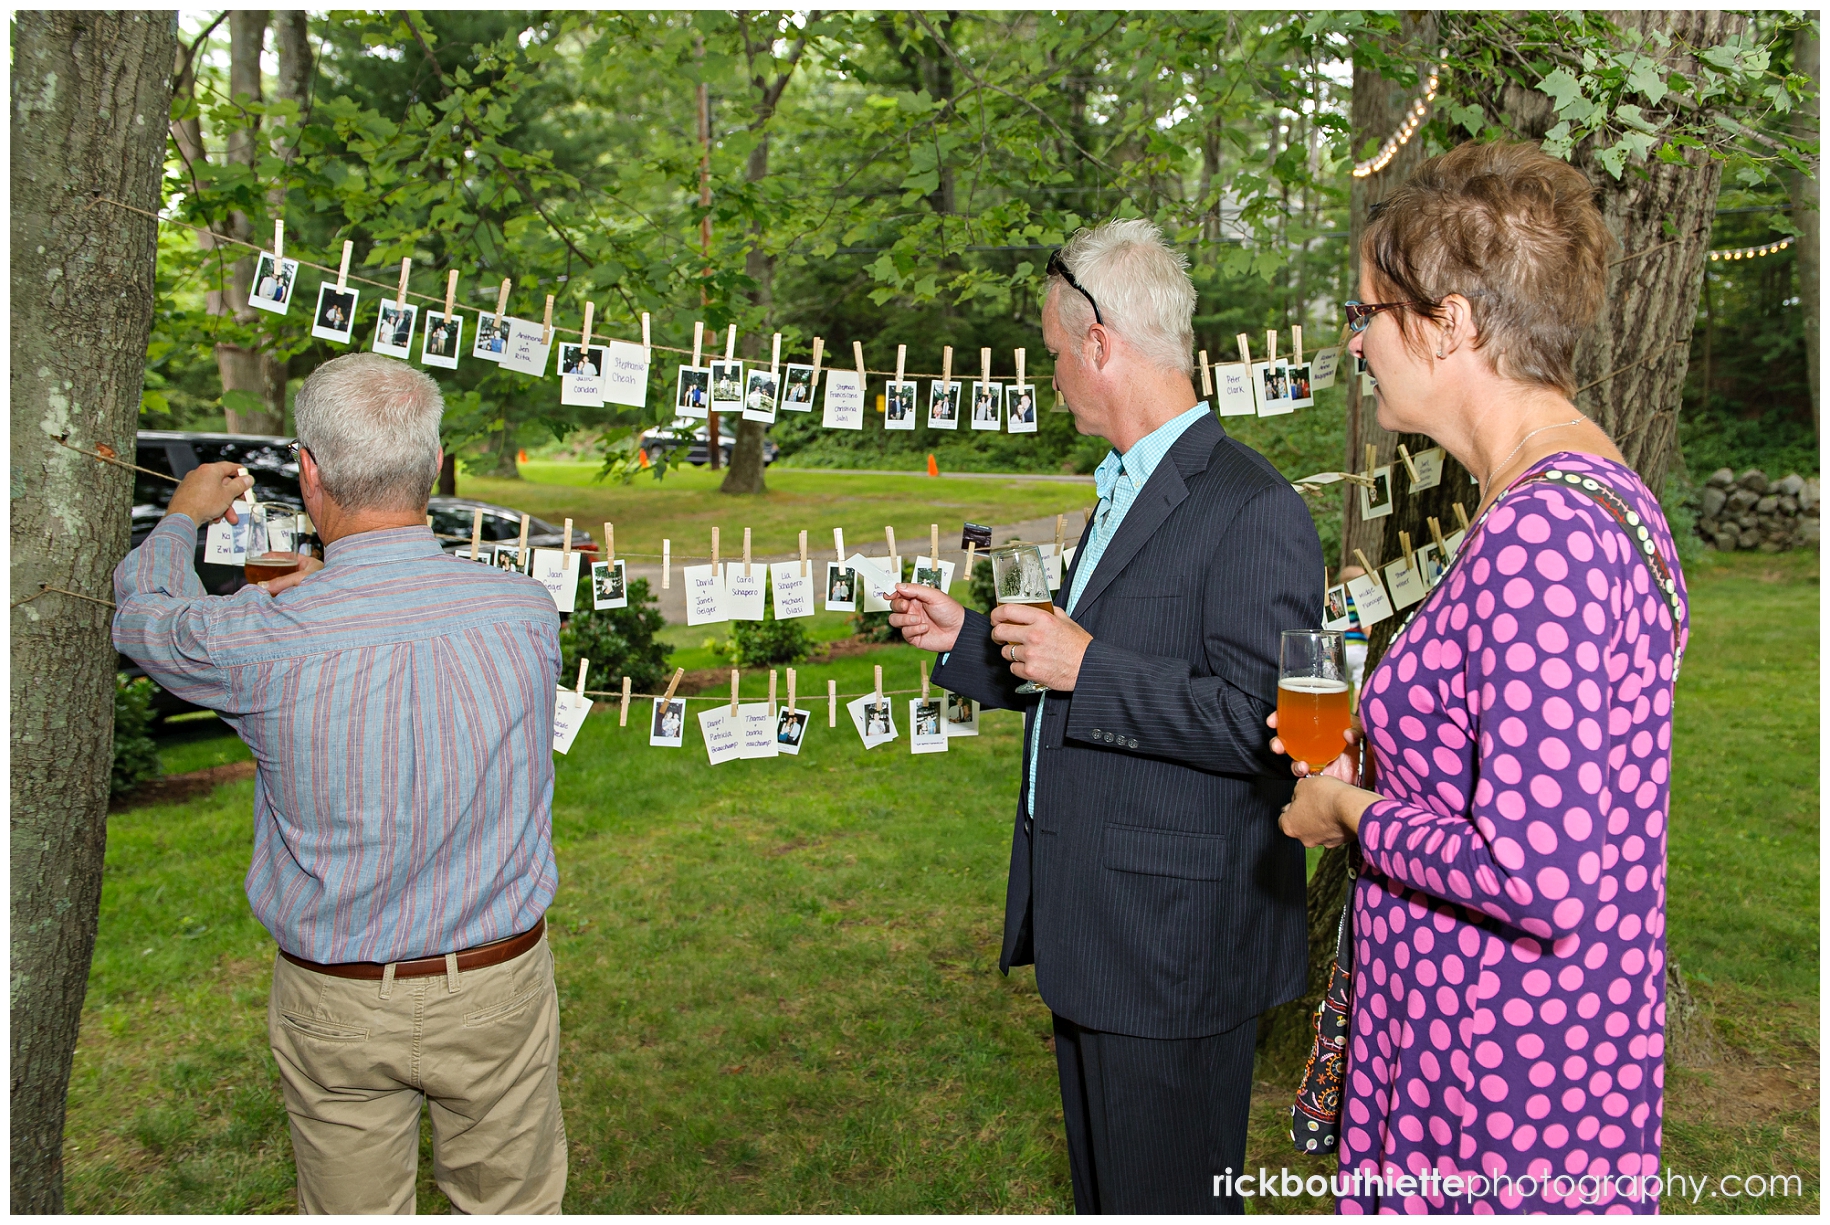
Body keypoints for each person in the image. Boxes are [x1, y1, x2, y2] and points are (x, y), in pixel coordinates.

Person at [1272, 141, 1688, 1213]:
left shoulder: (1546, 535)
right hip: (1505, 1059)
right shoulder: (1575, 501)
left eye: (1368, 312)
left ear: (1449, 324)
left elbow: (1535, 874)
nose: (1358, 342)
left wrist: (1347, 809)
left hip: (1497, 1088)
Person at [889, 218, 1321, 1213]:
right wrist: (967, 641)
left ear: (1099, 343)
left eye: (1052, 353)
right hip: (1099, 937)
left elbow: (1275, 724)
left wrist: (1093, 666)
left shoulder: (1252, 507)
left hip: (1172, 952)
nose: (1052, 377)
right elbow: (1083, 675)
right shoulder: (1125, 487)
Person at [112, 353, 567, 1213]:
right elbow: (406, 630)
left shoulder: (259, 638)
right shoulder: (526, 613)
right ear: (433, 467)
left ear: (310, 470)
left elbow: (142, 621)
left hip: (338, 999)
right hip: (497, 986)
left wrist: (179, 521)